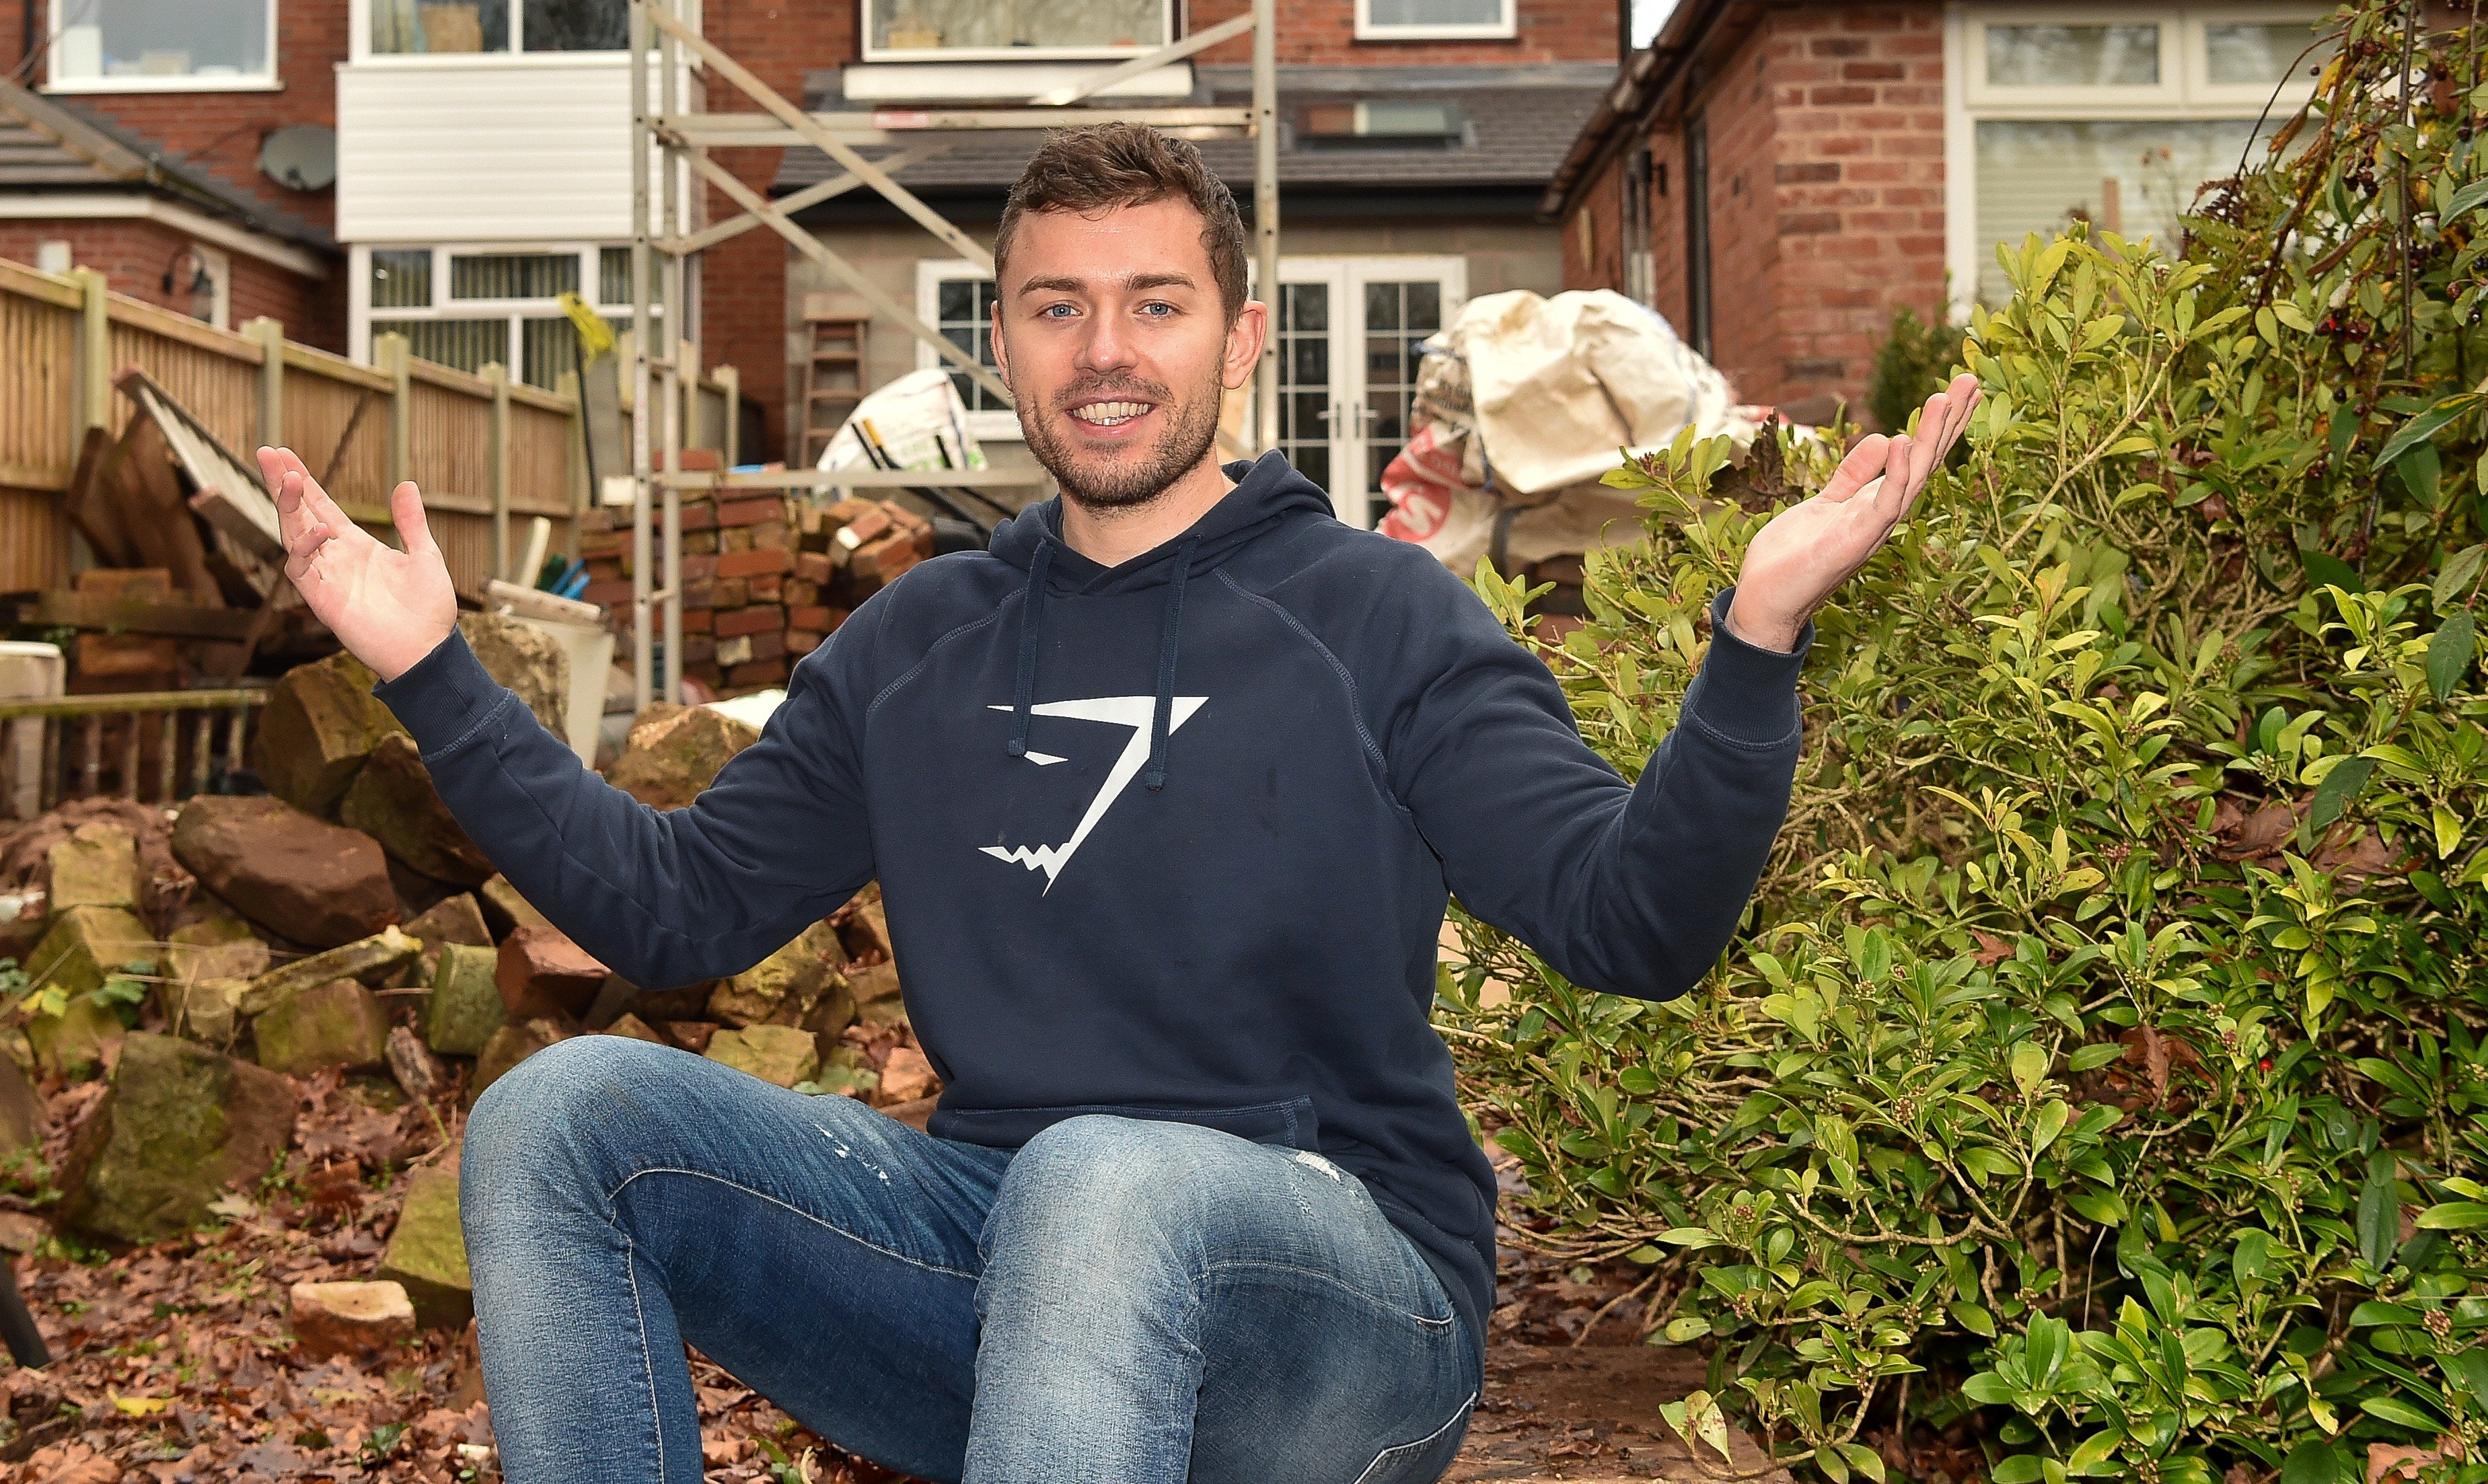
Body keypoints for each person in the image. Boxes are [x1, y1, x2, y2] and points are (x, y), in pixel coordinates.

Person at [258, 124, 1979, 1484]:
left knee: (1104, 1178)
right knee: (563, 1116)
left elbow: (1638, 925)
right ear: (1000, 337)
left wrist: (1753, 637)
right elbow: (670, 910)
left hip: (1338, 1316)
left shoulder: (1375, 617)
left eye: (1154, 302)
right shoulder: (920, 641)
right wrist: (432, 669)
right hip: (999, 1287)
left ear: (1236, 335)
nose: (1104, 350)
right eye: (1056, 304)